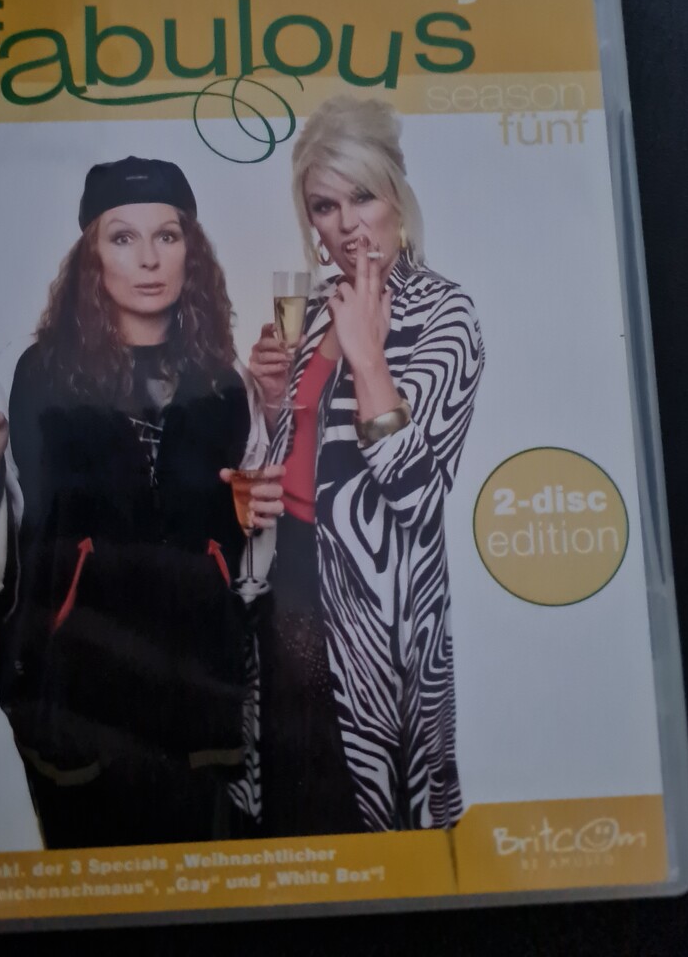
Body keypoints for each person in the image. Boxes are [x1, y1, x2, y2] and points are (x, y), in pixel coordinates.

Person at [0, 155, 284, 849]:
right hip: (71, 711)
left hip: (198, 713)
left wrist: (250, 521)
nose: (148, 259)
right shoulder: (27, 372)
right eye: (123, 237)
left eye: (167, 236)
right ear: (91, 255)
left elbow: (248, 570)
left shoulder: (227, 384)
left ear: (191, 253)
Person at [248, 97, 485, 836]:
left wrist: (369, 358)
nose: (348, 223)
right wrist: (271, 400)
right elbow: (300, 458)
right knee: (284, 808)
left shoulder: (445, 315)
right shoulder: (316, 307)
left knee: (363, 814)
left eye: (362, 196)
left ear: (396, 198)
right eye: (325, 206)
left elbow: (415, 496)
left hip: (373, 613)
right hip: (282, 583)